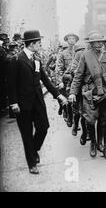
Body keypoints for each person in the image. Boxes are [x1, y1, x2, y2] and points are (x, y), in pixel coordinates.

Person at [8, 30, 68, 174]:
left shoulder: (36, 59)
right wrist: (14, 102)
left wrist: (58, 95)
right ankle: (32, 163)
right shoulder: (16, 60)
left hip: (37, 101)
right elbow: (10, 84)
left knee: (43, 127)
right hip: (22, 104)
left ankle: (33, 150)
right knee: (26, 134)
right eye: (39, 43)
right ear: (32, 44)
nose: (40, 45)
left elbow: (45, 80)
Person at [56, 33, 79, 128]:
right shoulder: (63, 54)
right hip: (67, 80)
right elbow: (58, 68)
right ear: (67, 40)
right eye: (70, 38)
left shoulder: (79, 52)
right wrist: (60, 81)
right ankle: (70, 119)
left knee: (78, 101)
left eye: (73, 38)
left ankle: (76, 120)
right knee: (70, 101)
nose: (72, 40)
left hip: (78, 79)